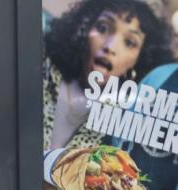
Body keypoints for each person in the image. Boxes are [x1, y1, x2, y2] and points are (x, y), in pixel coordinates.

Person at [43, 0, 172, 151]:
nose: (110, 47)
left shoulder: (124, 125)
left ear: (140, 59)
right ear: (84, 28)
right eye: (103, 28)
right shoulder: (41, 69)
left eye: (129, 42)